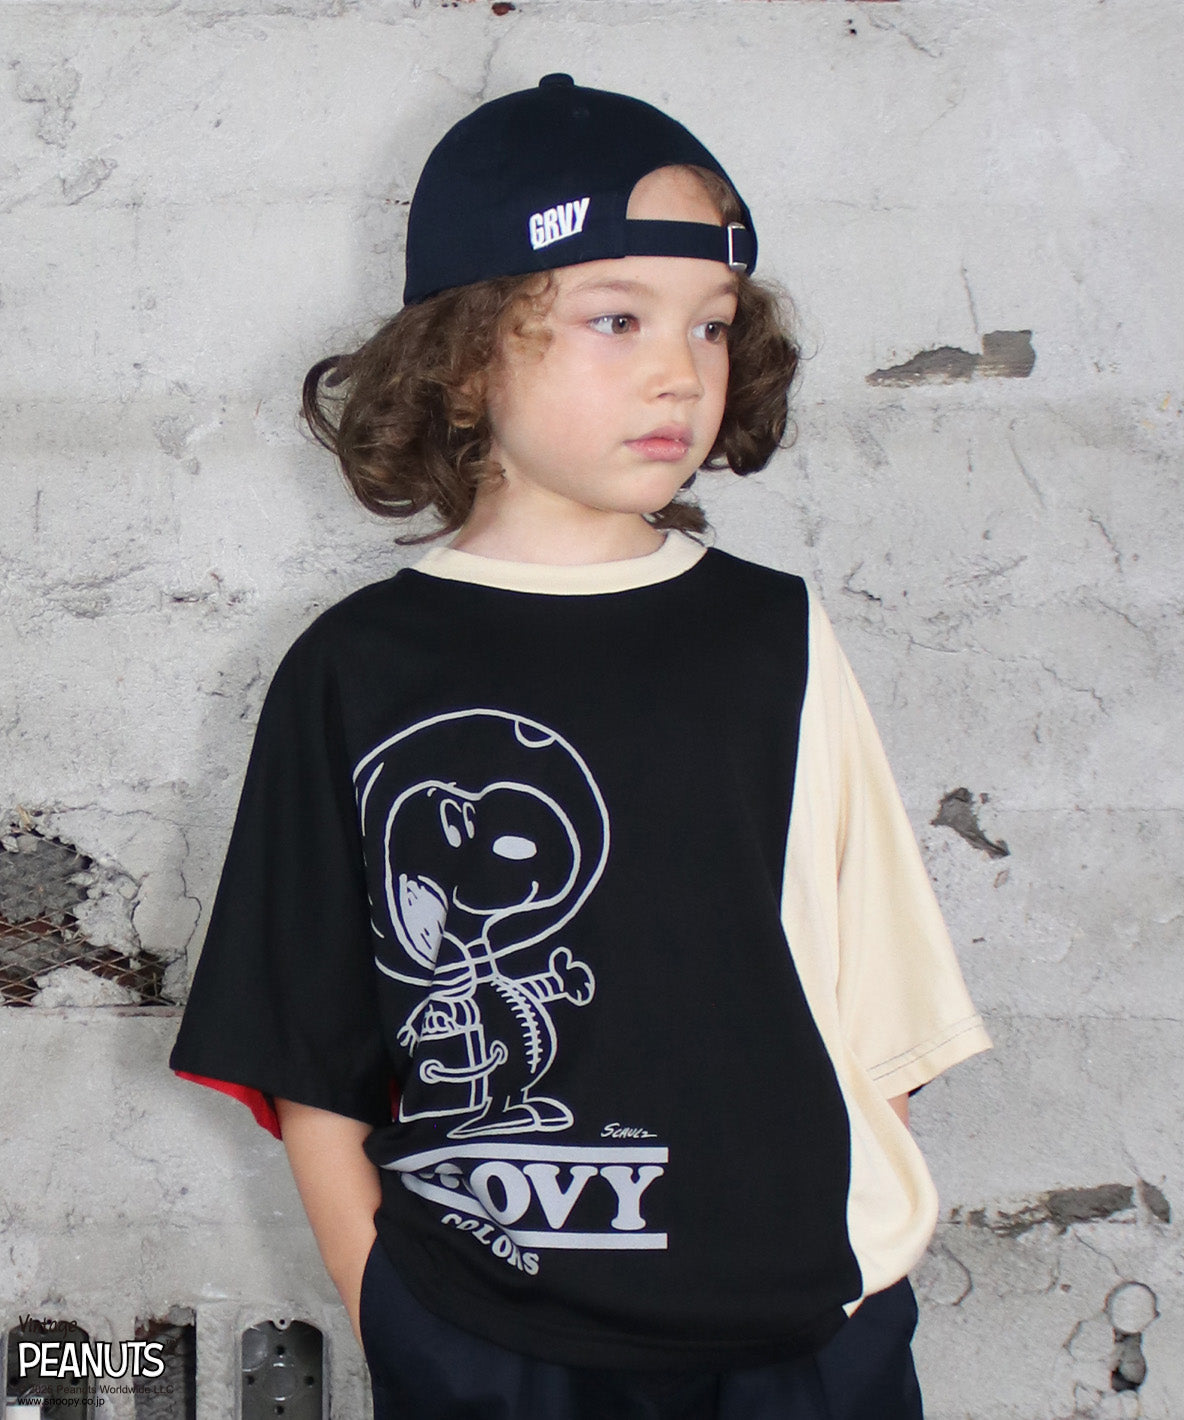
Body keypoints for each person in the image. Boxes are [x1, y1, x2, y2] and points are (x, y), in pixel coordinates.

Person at [169, 74, 991, 1420]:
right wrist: (385, 1296)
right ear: (465, 357)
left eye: (712, 325)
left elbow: (880, 1005)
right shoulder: (355, 668)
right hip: (487, 1335)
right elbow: (303, 1040)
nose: (682, 371)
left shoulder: (775, 637)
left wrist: (850, 1274)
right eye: (617, 319)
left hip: (802, 1336)